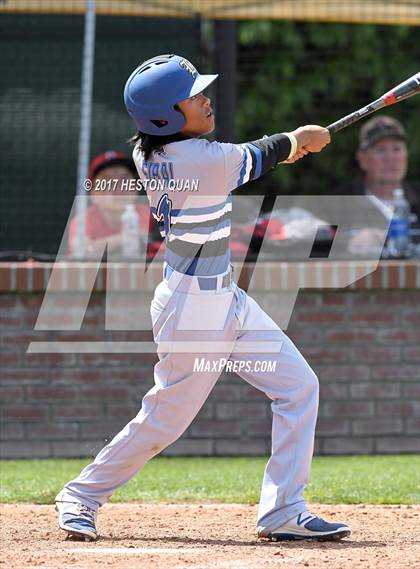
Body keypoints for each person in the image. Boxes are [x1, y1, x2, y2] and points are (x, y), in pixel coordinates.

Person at [55, 54, 351, 543]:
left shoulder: (150, 154)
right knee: (165, 421)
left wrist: (290, 145)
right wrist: (300, 140)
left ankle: (283, 510)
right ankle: (81, 496)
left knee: (299, 387)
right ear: (166, 117)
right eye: (193, 97)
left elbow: (259, 155)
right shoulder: (204, 161)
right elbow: (265, 151)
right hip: (193, 310)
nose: (206, 100)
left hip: (223, 299)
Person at [333, 115, 419, 254]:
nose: (390, 158)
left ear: (406, 155)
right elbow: (316, 250)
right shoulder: (338, 204)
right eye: (381, 150)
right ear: (362, 158)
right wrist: (347, 242)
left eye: (396, 149)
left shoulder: (417, 197)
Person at [68, 151, 156, 258]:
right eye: (107, 181)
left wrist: (98, 246)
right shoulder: (83, 220)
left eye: (124, 179)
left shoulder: (149, 213)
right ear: (93, 193)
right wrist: (125, 239)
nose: (118, 187)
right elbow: (81, 250)